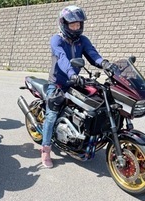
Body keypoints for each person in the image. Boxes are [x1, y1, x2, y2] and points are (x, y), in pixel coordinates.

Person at [41, 5, 115, 168]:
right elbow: (61, 58)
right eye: (72, 24)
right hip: (58, 82)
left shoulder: (83, 40)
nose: (76, 28)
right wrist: (71, 74)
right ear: (63, 24)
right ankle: (46, 150)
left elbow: (92, 54)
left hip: (74, 80)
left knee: (95, 102)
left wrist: (105, 63)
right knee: (51, 115)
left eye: (78, 24)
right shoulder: (57, 40)